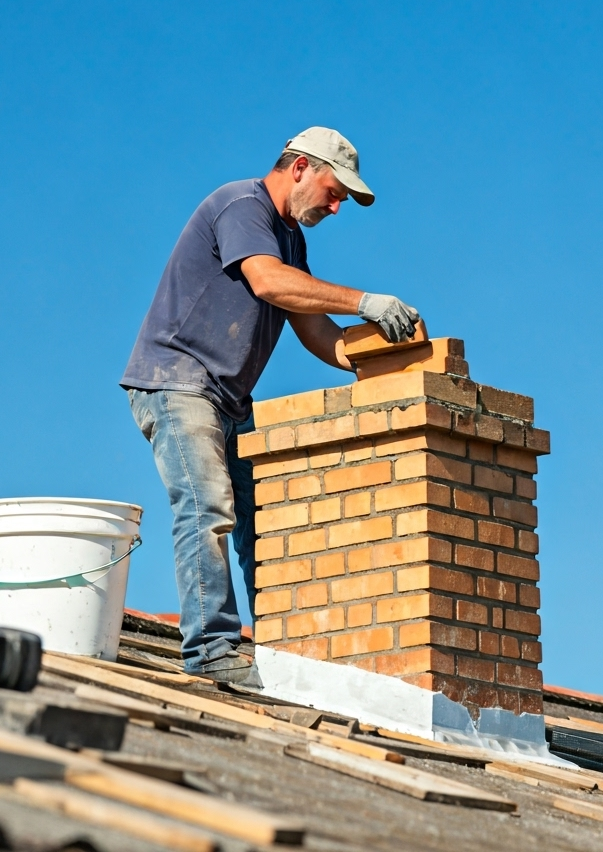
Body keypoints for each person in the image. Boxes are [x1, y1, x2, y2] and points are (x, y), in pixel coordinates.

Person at [121, 127, 422, 683]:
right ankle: (212, 651)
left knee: (266, 524)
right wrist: (365, 301)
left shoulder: (290, 242)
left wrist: (388, 366)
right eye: (335, 191)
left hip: (230, 397)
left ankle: (282, 653)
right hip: (179, 383)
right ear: (302, 167)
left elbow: (314, 330)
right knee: (207, 507)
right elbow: (268, 283)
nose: (337, 207)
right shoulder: (242, 205)